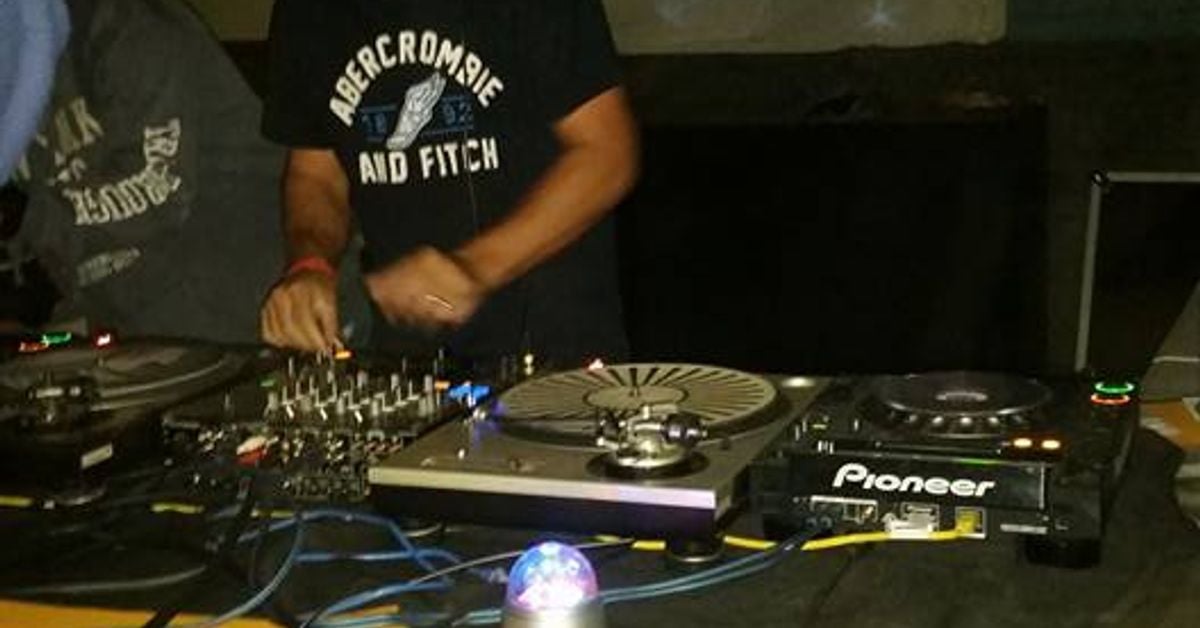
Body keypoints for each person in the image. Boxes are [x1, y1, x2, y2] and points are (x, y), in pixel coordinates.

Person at [259, 0, 640, 366]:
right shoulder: (306, 12)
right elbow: (316, 174)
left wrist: (474, 267)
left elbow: (607, 153)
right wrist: (310, 264)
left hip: (553, 347)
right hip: (407, 354)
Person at [4, 0, 367, 346]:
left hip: (264, 321)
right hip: (144, 339)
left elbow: (158, 188)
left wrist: (22, 216)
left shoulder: (126, 26)